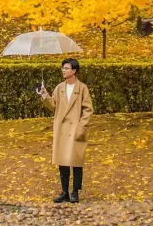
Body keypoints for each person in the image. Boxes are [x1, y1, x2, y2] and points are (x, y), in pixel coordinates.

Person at [38, 57, 94, 203]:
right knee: (62, 162)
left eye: (66, 68)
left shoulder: (82, 88)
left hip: (76, 129)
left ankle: (75, 192)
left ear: (74, 71)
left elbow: (88, 109)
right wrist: (45, 95)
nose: (63, 70)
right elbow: (54, 106)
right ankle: (64, 192)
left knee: (76, 162)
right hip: (62, 129)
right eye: (63, 68)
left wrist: (82, 126)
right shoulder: (59, 88)